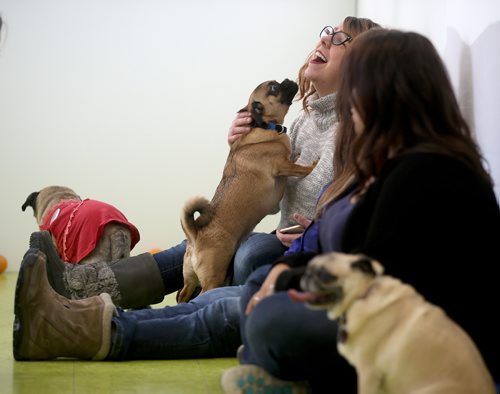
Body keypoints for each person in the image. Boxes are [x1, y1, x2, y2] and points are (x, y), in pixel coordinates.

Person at [12, 16, 380, 362]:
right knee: (203, 239)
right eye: (327, 32)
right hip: (290, 242)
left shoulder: (355, 130)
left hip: (303, 250)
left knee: (245, 252)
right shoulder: (304, 119)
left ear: (361, 68)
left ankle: (91, 312)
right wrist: (244, 148)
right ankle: (79, 285)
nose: (324, 39)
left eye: (341, 40)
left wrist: (315, 225)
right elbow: (272, 197)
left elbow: (347, 207)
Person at [220, 28, 500, 393]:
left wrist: (289, 279)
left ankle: (284, 369)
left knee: (268, 314)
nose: (349, 106)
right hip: (371, 309)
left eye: (356, 92)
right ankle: (279, 368)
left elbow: (370, 273)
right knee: (258, 283)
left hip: (416, 339)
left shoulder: (430, 170)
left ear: (386, 94)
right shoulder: (389, 162)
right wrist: (286, 270)